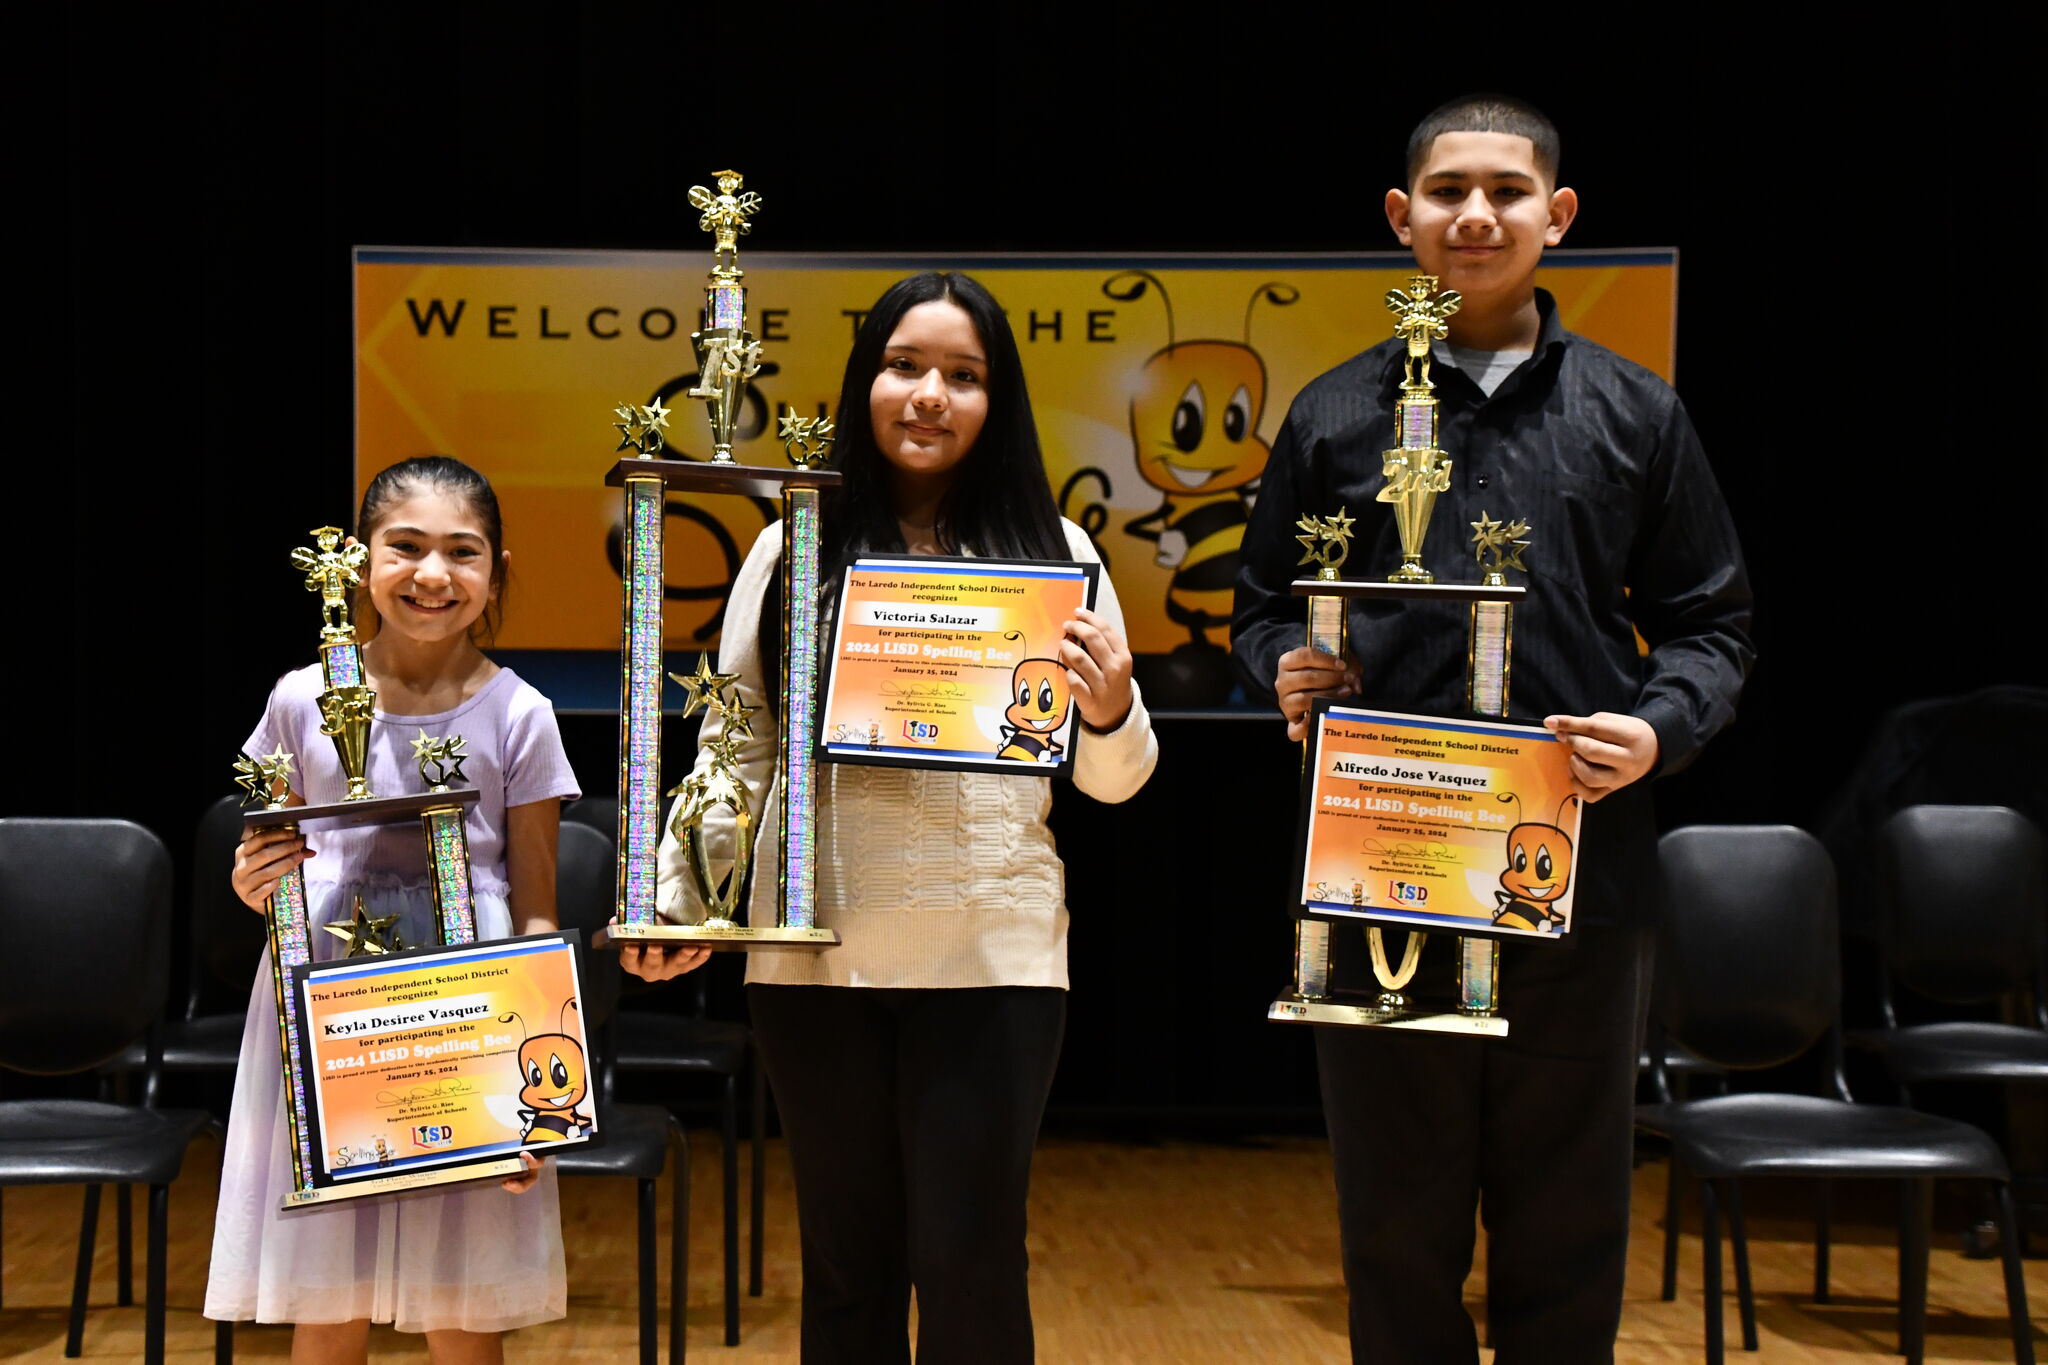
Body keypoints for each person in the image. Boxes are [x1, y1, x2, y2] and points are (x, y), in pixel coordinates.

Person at [1231, 95, 1754, 1363]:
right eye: (1448, 190)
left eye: (1507, 191)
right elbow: (1256, 614)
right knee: (1395, 1236)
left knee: (1567, 1228)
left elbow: (1712, 626)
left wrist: (1655, 731)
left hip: (1571, 867)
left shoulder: (1636, 414)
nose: (1477, 214)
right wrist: (1283, 671)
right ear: (1402, 219)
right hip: (1381, 866)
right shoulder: (1330, 415)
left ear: (1555, 217)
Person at [625, 271, 1158, 1364]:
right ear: (865, 379)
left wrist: (1106, 707)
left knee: (969, 1267)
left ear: (995, 402)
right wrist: (682, 905)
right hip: (814, 955)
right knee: (846, 1266)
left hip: (993, 959)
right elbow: (738, 745)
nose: (929, 395)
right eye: (905, 366)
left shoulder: (1056, 552)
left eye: (962, 377)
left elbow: (1113, 781)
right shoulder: (791, 547)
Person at [206, 456, 580, 1365]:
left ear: (495, 569)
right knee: (326, 1298)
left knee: (461, 1307)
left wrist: (547, 1096)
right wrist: (249, 880)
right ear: (360, 561)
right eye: (405, 547)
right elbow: (266, 861)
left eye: (463, 551)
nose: (432, 574)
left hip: (470, 1011)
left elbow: (535, 910)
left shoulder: (521, 711)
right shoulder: (301, 697)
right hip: (324, 1003)